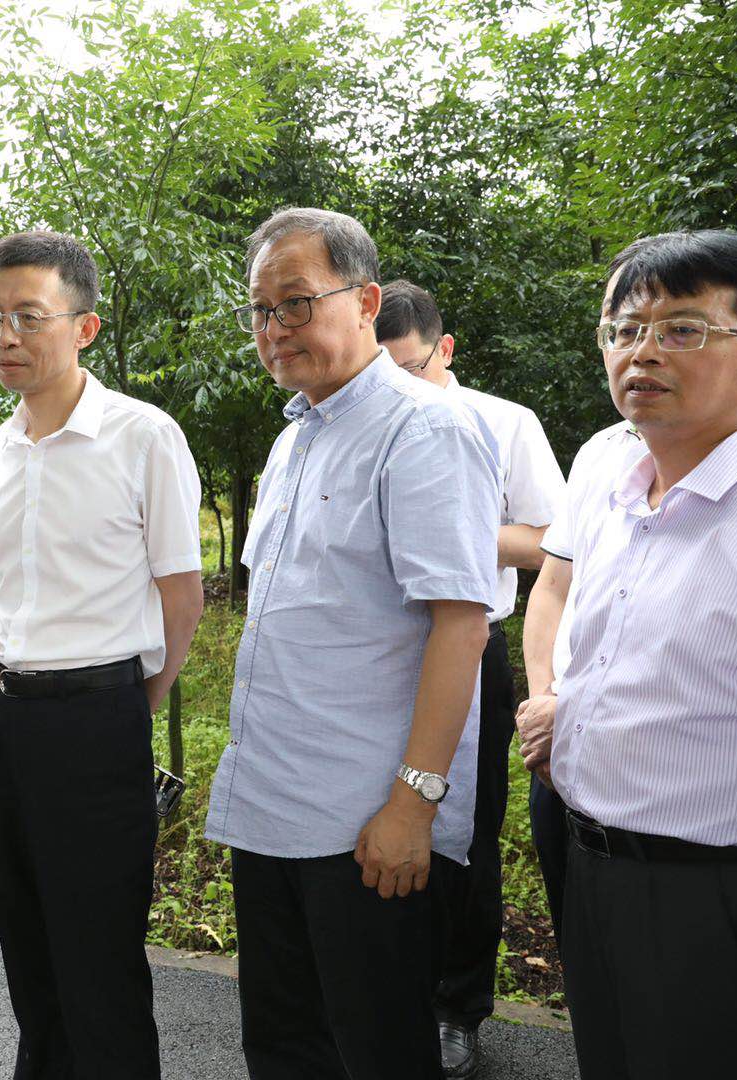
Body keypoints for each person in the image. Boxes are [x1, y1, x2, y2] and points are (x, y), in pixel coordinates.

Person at [205, 208, 499, 1080]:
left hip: (366, 830)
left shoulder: (424, 429)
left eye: (296, 303)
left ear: (367, 301)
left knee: (375, 1053)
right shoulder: (296, 435)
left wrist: (413, 805)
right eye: (261, 309)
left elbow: (462, 624)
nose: (274, 328)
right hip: (273, 806)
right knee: (286, 1050)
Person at [545, 229, 737, 1080]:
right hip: (596, 870)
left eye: (684, 330)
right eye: (625, 329)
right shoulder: (612, 482)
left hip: (730, 900)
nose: (643, 352)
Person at [0, 229, 204, 1079]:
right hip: (5, 718)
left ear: (85, 328)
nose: (5, 335)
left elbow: (183, 597)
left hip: (99, 717)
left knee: (99, 961)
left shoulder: (143, 436)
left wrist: (129, 704)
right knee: (27, 950)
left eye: (28, 316)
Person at [516, 403, 737, 935]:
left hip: (713, 860)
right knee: (588, 959)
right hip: (570, 780)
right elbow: (553, 588)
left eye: (681, 342)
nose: (643, 360)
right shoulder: (601, 453)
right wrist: (546, 703)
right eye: (623, 344)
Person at [376, 279, 565, 1079]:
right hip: (374, 650)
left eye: (408, 369)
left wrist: (447, 533)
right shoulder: (355, 420)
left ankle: (458, 1006)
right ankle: (383, 995)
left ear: (444, 349)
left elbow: (551, 539)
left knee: (464, 833)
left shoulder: (502, 422)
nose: (394, 388)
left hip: (468, 642)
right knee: (375, 816)